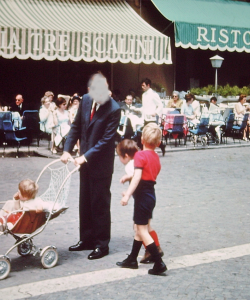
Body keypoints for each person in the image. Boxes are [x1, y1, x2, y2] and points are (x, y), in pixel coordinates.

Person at [60, 73, 121, 260]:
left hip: (100, 163)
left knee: (99, 204)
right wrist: (67, 150)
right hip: (84, 160)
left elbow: (106, 141)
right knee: (85, 201)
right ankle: (86, 239)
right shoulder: (85, 100)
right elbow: (76, 127)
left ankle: (102, 244)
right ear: (90, 91)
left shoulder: (114, 109)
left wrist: (84, 157)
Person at [116, 123, 167, 275]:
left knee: (142, 230)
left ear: (142, 140)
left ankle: (159, 262)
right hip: (150, 195)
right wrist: (128, 176)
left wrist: (127, 195)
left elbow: (138, 177)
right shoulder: (155, 157)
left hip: (142, 197)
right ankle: (132, 259)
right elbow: (146, 175)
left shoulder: (140, 155)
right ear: (158, 143)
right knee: (140, 228)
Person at [136, 78, 165, 155]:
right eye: (142, 85)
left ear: (148, 85)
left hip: (151, 118)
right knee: (143, 135)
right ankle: (145, 151)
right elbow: (144, 106)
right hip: (145, 118)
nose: (142, 87)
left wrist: (155, 112)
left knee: (151, 135)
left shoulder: (154, 94)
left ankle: (161, 146)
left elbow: (160, 105)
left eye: (143, 85)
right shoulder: (143, 95)